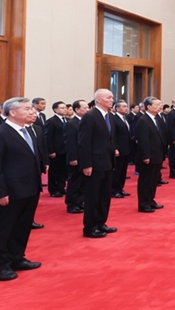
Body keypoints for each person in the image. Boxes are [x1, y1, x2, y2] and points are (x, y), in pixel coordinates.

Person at [0, 97, 46, 281]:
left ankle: (16, 258)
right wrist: (0, 192)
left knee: (22, 226)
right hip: (10, 191)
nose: (31, 111)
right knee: (3, 229)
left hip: (30, 188)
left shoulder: (29, 131)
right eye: (27, 109)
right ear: (12, 112)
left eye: (31, 108)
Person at [78, 89, 118, 238]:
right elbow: (84, 142)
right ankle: (90, 227)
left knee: (104, 196)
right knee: (92, 196)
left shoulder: (110, 116)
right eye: (108, 97)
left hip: (108, 161)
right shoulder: (90, 117)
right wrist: (86, 164)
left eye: (112, 97)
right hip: (94, 163)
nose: (112, 100)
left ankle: (101, 223)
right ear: (99, 100)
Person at [134, 97, 166, 213]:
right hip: (148, 156)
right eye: (156, 105)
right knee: (146, 181)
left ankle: (150, 200)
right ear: (148, 107)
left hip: (157, 154)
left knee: (153, 180)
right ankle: (144, 204)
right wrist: (145, 156)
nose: (159, 107)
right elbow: (143, 140)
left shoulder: (156, 118)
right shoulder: (143, 120)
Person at [64, 100, 88, 213]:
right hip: (75, 157)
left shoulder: (86, 121)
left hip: (85, 157)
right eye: (84, 108)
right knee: (75, 182)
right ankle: (72, 204)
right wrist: (73, 158)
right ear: (77, 110)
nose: (87, 110)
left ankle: (79, 202)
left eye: (88, 107)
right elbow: (70, 142)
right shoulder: (71, 123)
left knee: (83, 182)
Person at [44, 101, 68, 198]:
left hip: (65, 150)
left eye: (65, 108)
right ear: (55, 109)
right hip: (56, 150)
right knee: (54, 171)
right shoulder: (51, 121)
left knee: (63, 170)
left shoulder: (67, 120)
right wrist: (51, 150)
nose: (65, 109)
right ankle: (54, 190)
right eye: (62, 108)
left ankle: (61, 188)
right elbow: (48, 137)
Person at [111, 101, 133, 200]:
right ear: (117, 108)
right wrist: (115, 148)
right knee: (117, 171)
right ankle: (114, 190)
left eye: (126, 106)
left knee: (123, 171)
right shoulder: (114, 119)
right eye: (123, 106)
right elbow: (113, 135)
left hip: (126, 148)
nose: (126, 108)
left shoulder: (125, 118)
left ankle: (120, 188)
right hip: (119, 149)